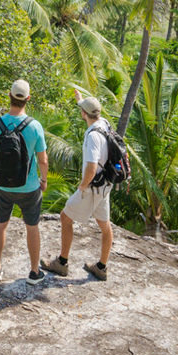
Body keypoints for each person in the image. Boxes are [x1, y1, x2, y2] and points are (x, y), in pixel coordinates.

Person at [0, 79, 48, 285]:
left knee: (0, 226)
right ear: (28, 99)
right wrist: (43, 180)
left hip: (3, 187)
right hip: (29, 188)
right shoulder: (35, 126)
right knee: (32, 227)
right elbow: (43, 160)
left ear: (9, 96)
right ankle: (34, 272)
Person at [44, 95, 115, 281]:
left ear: (84, 114)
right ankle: (101, 267)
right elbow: (89, 109)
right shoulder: (104, 123)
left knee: (65, 217)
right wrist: (81, 99)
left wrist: (83, 186)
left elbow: (91, 167)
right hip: (105, 184)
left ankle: (62, 262)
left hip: (92, 188)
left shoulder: (92, 137)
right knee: (105, 225)